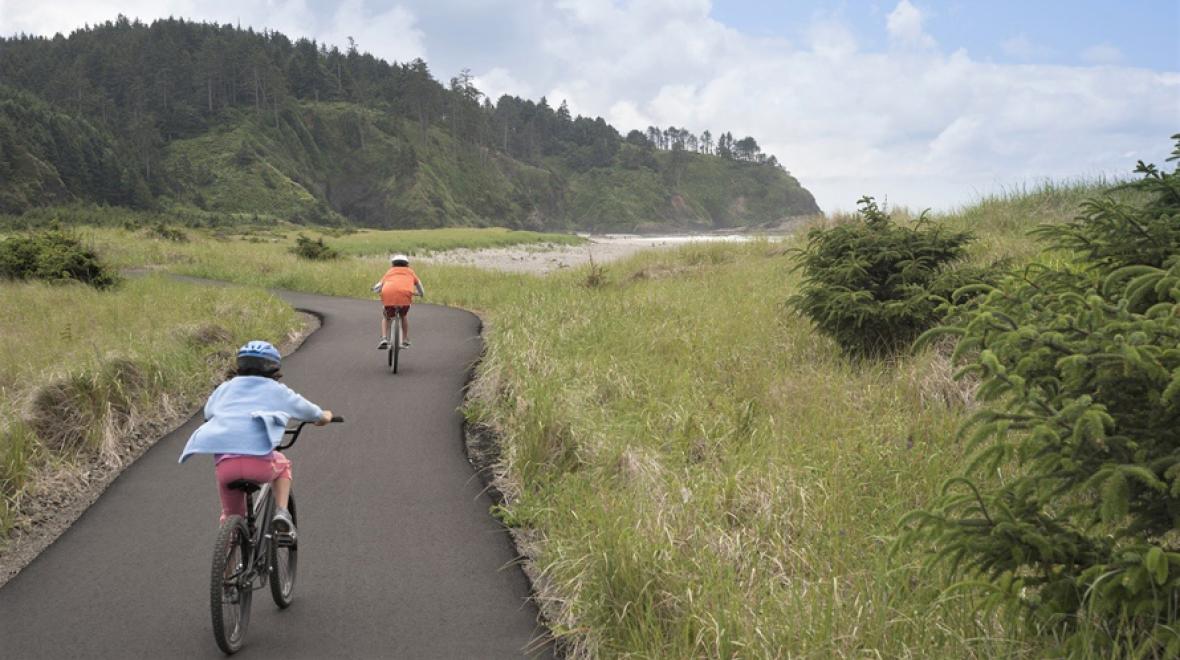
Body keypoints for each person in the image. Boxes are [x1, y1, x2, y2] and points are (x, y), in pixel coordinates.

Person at [179, 340, 333, 537]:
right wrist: (323, 416)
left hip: (227, 468)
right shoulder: (276, 390)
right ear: (274, 367)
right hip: (259, 466)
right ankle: (282, 514)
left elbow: (208, 414)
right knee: (283, 466)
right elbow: (307, 410)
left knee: (231, 517)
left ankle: (227, 562)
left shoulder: (224, 389)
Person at [372, 253, 425, 350]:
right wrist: (421, 294)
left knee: (386, 317)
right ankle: (404, 339)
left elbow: (378, 286)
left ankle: (384, 339)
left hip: (388, 297)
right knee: (403, 316)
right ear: (407, 264)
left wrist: (375, 289)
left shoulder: (389, 272)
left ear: (393, 264)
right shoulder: (410, 272)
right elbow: (419, 285)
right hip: (405, 299)